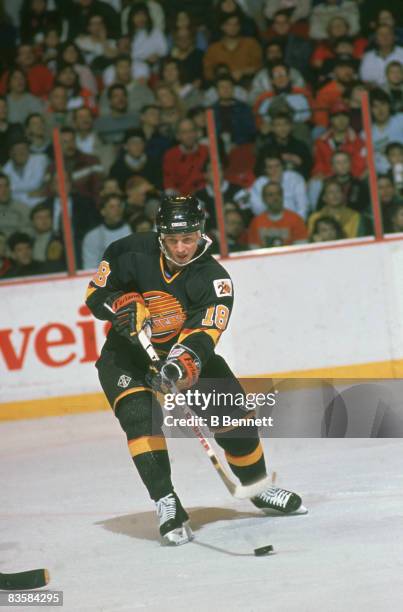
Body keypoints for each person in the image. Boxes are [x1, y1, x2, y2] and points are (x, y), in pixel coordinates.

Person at [85, 194, 306, 545]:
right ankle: (166, 501)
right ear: (160, 236)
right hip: (125, 356)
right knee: (140, 419)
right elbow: (96, 295)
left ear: (200, 233)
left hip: (181, 356)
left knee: (235, 415)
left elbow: (203, 336)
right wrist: (120, 304)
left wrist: (177, 366)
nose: (181, 247)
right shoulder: (127, 251)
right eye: (172, 240)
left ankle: (257, 487)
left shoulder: (214, 279)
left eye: (187, 238)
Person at [203, 12, 262, 84]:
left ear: (240, 27)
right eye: (229, 24)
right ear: (222, 27)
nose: (233, 27)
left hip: (248, 85)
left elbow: (259, 66)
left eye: (236, 24)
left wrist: (243, 72)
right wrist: (224, 76)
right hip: (222, 88)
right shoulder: (213, 49)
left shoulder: (251, 43)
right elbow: (208, 73)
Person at [248, 182, 307, 248]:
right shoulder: (256, 222)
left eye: (278, 194)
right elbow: (254, 251)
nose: (275, 198)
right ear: (263, 199)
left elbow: (301, 249)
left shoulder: (296, 220)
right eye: (271, 195)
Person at [249, 153, 309, 219]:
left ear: (283, 166)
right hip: (269, 222)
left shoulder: (295, 178)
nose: (274, 170)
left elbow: (303, 206)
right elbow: (257, 208)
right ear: (265, 170)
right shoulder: (259, 183)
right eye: (270, 167)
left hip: (293, 221)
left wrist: (297, 223)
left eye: (277, 166)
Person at [82, 193, 131, 269]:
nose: (117, 210)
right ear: (103, 211)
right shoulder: (92, 237)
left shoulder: (131, 230)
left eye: (119, 206)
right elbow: (90, 268)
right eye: (112, 207)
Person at [163, 118, 209, 195]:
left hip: (204, 196)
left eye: (191, 131)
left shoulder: (206, 151)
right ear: (178, 136)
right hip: (181, 198)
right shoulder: (171, 155)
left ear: (196, 133)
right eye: (184, 132)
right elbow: (169, 183)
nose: (189, 135)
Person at [0, 172, 31, 236]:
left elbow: (28, 232)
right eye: (0, 187)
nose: (4, 190)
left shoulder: (23, 208)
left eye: (6, 186)